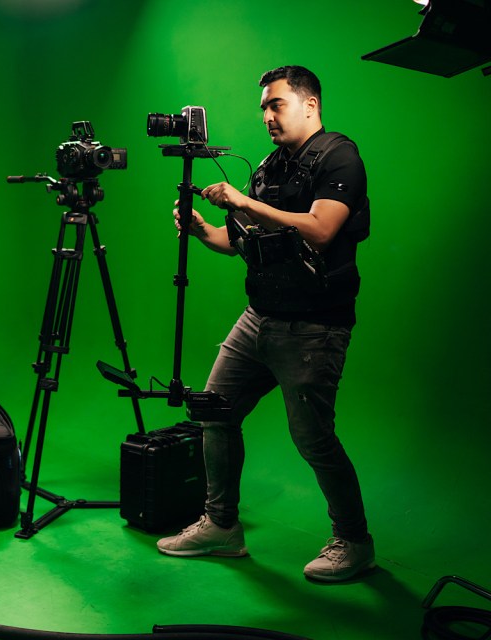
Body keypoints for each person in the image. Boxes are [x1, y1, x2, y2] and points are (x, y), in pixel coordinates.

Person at [156, 66, 374, 582]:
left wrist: (243, 201)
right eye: (263, 107)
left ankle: (354, 540)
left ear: (310, 104)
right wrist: (203, 229)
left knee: (313, 437)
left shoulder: (339, 156)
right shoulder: (271, 166)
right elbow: (238, 242)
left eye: (275, 104)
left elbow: (321, 231)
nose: (267, 116)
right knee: (214, 412)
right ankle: (221, 526)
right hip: (258, 320)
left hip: (314, 327)